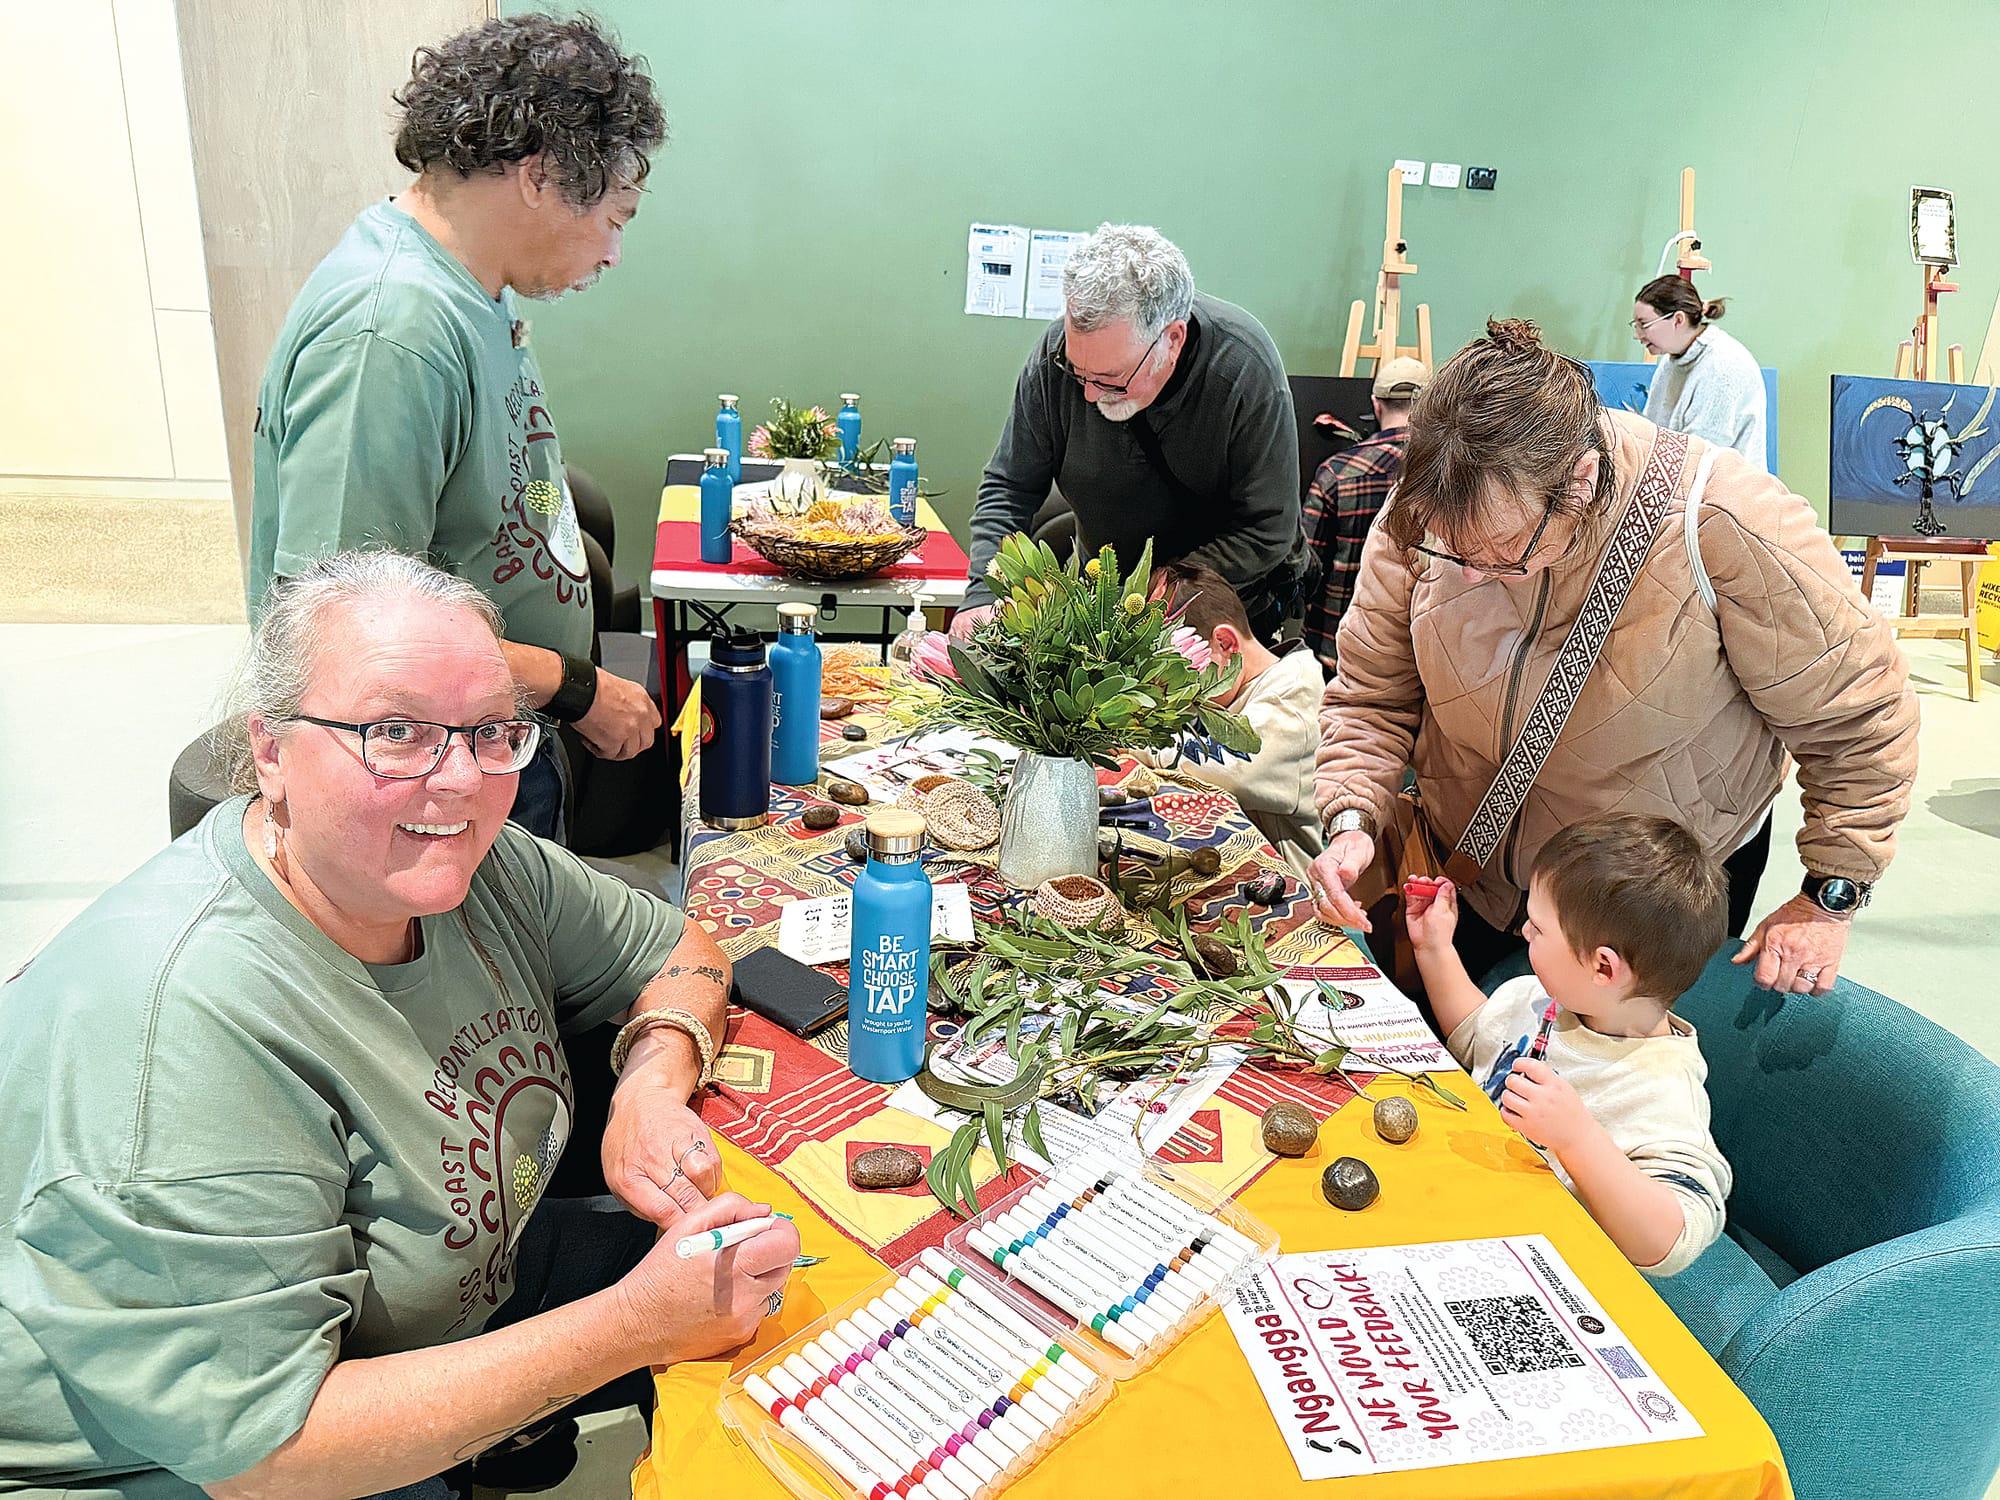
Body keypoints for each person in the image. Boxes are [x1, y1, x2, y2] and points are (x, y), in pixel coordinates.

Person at [0, 553, 798, 1499]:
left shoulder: (480, 865)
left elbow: (680, 949)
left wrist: (651, 1085)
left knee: (786, 1284)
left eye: (491, 731)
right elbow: (271, 1454)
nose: (458, 780)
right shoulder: (184, 1031)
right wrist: (630, 1327)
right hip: (189, 1462)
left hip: (443, 1298)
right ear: (270, 751)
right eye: (395, 733)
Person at [1311, 319, 1918, 999]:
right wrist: (1352, 819)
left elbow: (1862, 719)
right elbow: (1372, 696)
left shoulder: (1724, 520)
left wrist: (1829, 894)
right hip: (1469, 872)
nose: (1471, 573)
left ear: (1581, 479)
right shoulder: (1430, 505)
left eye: (1503, 551)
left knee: (1608, 1066)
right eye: (1451, 552)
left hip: (1639, 908)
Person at [247, 13, 667, 844]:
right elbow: (348, 633)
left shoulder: (478, 289)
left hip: (492, 731)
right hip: (428, 770)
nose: (612, 252)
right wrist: (573, 686)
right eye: (615, 218)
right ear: (542, 175)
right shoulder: (391, 331)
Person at [1409, 815, 1732, 1278]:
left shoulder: (1662, 1090)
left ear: (1603, 968)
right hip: (1453, 1206)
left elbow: (1671, 1243)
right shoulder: (1543, 999)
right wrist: (1434, 949)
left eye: (1538, 928)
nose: (1525, 933)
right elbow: (1478, 1036)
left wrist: (1577, 1138)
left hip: (1527, 1269)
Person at [955, 224, 1305, 642]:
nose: (1089, 394)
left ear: (1172, 340)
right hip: (1101, 599)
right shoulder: (1055, 357)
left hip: (1214, 614)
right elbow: (1010, 486)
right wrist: (983, 594)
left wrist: (1150, 597)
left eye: (1111, 379)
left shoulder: (1244, 370)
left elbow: (1267, 529)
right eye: (1077, 371)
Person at [1151, 562, 1324, 876]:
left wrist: (1142, 740)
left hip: (1286, 886)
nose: (1170, 692)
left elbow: (1234, 771)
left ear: (1225, 643)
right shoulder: (1228, 692)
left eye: (1176, 673)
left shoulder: (1295, 689)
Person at [1300, 356, 1429, 666]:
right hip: (1419, 659)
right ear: (1431, 406)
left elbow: (1306, 567)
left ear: (1376, 405)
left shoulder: (1337, 473)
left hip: (1340, 652)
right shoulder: (1452, 475)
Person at [1632, 274, 1767, 472]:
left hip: (1725, 488)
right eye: (1635, 325)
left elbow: (1699, 460)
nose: (1637, 335)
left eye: (1644, 324)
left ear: (1678, 320)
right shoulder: (1670, 362)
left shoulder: (1722, 365)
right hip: (1686, 484)